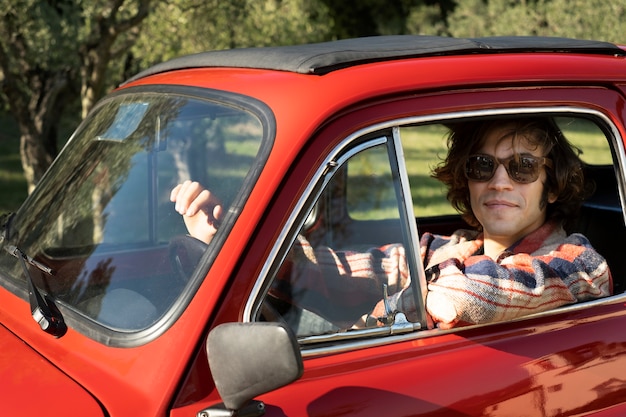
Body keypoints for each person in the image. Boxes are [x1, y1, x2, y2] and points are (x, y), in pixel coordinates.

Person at [171, 117, 612, 330]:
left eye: (521, 167)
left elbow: (459, 299)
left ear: (551, 186)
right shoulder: (444, 249)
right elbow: (337, 269)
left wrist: (425, 280)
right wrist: (231, 245)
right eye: (481, 166)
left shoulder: (578, 264)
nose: (499, 181)